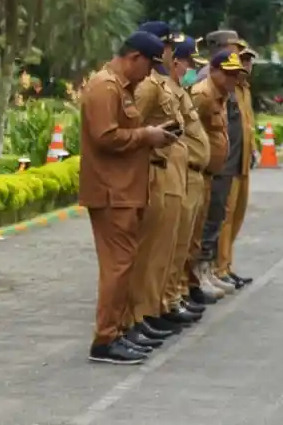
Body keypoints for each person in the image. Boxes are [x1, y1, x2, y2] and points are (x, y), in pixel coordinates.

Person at [81, 31, 177, 364]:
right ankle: (105, 339)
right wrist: (146, 135)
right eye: (149, 65)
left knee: (124, 265)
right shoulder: (104, 87)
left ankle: (119, 332)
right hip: (111, 191)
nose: (150, 74)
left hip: (125, 189)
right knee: (117, 268)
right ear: (134, 57)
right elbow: (105, 136)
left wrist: (152, 136)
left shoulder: (122, 88)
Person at [122, 22, 194, 351]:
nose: (170, 53)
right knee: (148, 253)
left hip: (170, 171)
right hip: (154, 171)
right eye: (167, 47)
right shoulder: (148, 85)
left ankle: (151, 310)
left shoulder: (161, 83)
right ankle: (139, 314)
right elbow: (131, 126)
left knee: (162, 251)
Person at [165, 36, 212, 312]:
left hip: (193, 174)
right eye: (190, 63)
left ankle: (176, 295)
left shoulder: (181, 91)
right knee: (172, 246)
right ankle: (168, 300)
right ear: (176, 62)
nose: (192, 69)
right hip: (177, 175)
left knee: (184, 243)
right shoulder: (166, 91)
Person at [193, 51, 245, 298]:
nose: (232, 80)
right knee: (204, 224)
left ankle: (209, 270)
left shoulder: (223, 95)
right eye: (227, 74)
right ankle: (197, 276)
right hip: (204, 171)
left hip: (220, 169)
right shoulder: (202, 95)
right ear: (213, 70)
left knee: (216, 219)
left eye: (235, 75)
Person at [215, 41, 257, 290]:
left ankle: (226, 265)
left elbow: (247, 123)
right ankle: (219, 267)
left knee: (237, 216)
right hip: (228, 162)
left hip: (242, 160)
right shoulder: (226, 89)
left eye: (250, 60)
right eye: (244, 59)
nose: (248, 64)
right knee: (225, 218)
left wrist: (253, 147)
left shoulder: (244, 89)